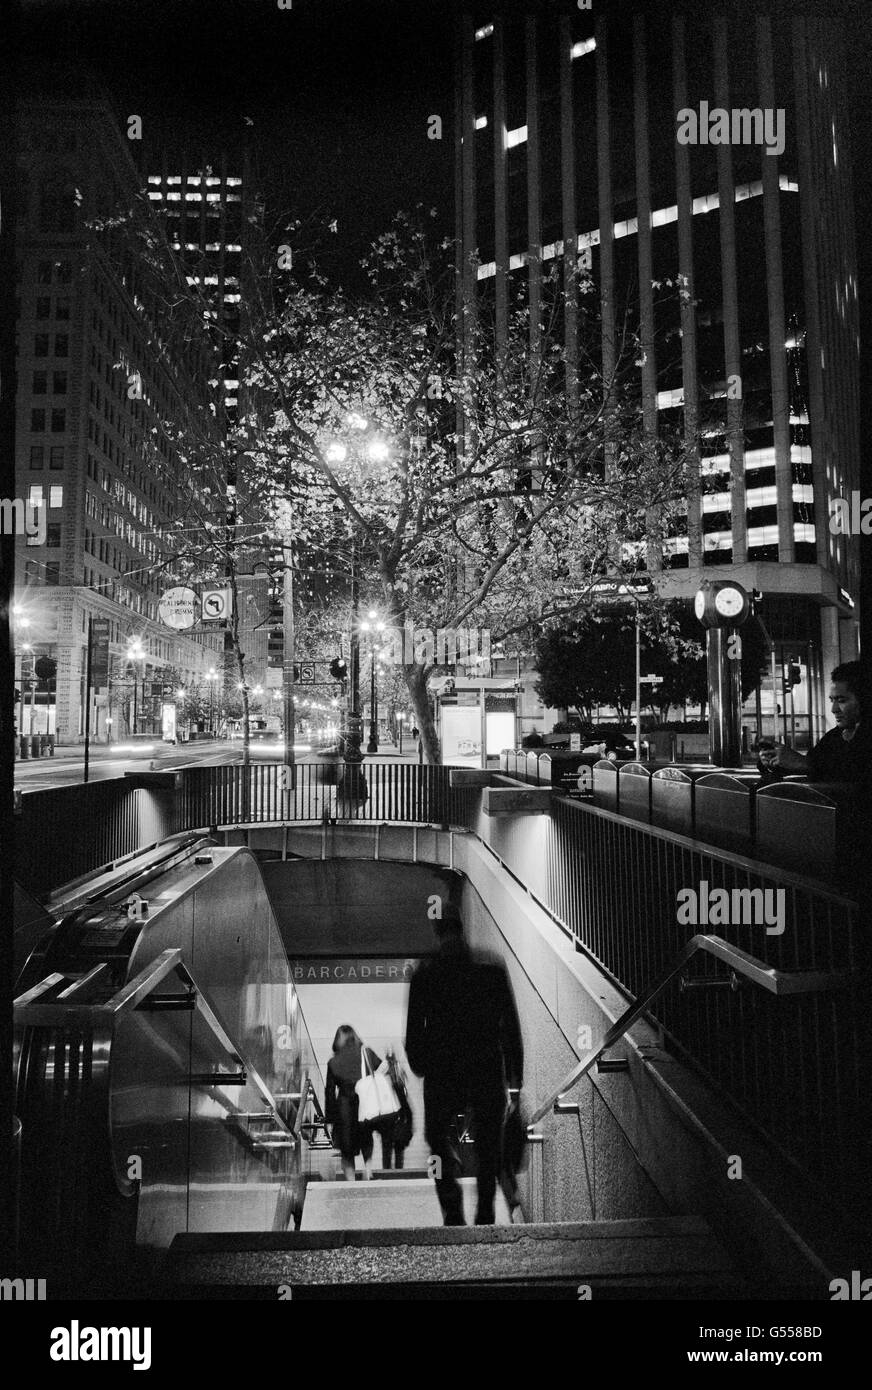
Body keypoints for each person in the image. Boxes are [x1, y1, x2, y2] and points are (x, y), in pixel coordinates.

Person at [405, 905, 524, 1226]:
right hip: (486, 1067)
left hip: (442, 1073)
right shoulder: (490, 968)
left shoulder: (425, 973)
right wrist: (515, 1081)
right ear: (463, 930)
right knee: (488, 1141)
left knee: (437, 1139)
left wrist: (422, 1066)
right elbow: (509, 1027)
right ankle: (485, 1205)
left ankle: (452, 1208)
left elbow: (414, 1035)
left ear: (438, 932)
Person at [758, 662, 872, 783]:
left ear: (864, 699)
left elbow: (856, 775)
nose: (833, 709)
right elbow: (812, 766)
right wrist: (775, 761)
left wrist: (803, 763)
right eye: (832, 700)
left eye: (842, 700)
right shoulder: (833, 737)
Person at [324, 1025, 389, 1182]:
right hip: (364, 1103)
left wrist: (330, 1119)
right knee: (366, 1138)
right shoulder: (366, 1053)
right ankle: (367, 1170)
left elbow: (330, 1093)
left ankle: (351, 1182)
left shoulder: (333, 1062)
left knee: (346, 1150)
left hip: (344, 1108)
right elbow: (383, 1067)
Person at [378, 1045, 413, 1170]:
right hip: (398, 1115)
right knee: (397, 1148)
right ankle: (398, 1171)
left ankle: (388, 1171)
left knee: (387, 1148)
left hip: (389, 1113)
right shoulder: (398, 1070)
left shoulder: (384, 1069)